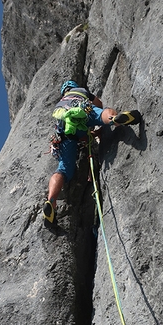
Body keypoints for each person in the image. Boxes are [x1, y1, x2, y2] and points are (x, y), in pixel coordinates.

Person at [43, 80, 141, 225]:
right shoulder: (81, 92)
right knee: (103, 114)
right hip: (82, 110)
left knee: (63, 169)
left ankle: (51, 200)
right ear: (74, 87)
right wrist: (98, 128)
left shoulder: (61, 104)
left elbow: (76, 131)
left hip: (65, 128)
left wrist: (88, 134)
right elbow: (99, 105)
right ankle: (115, 119)